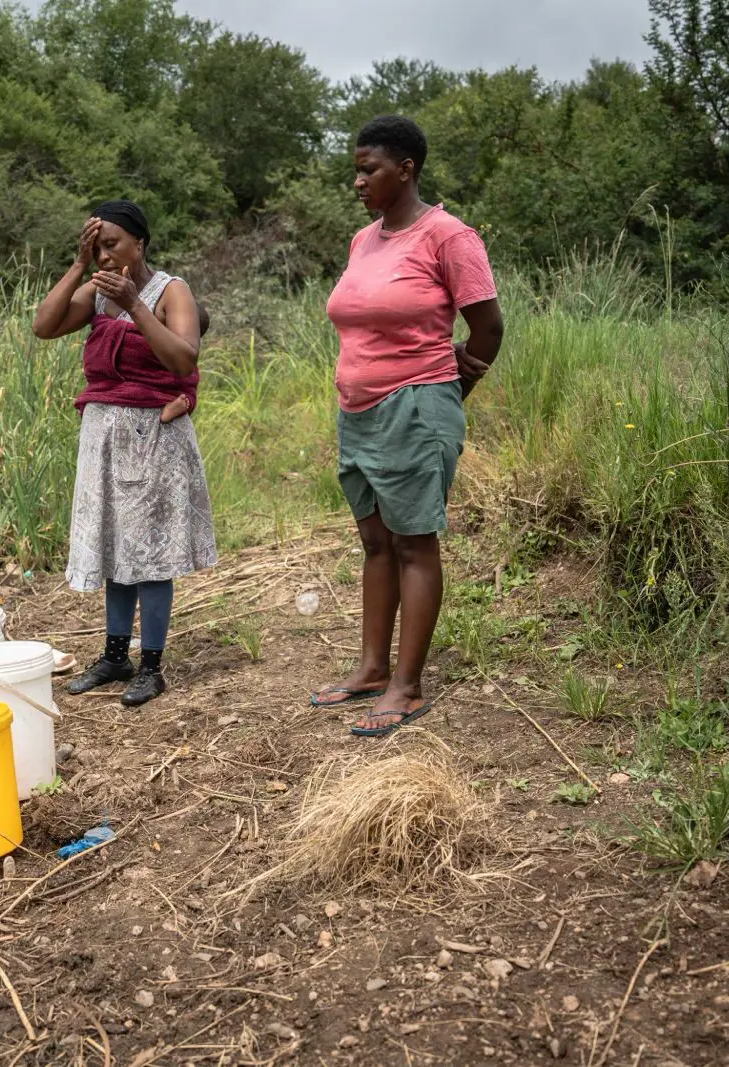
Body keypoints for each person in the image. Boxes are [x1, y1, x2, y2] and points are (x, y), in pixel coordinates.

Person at [310, 115, 505, 736]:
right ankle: (371, 668)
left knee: (413, 542)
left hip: (415, 406)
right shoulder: (364, 241)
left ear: (406, 169)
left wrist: (447, 390)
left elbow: (488, 328)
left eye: (369, 169)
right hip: (357, 410)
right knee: (375, 541)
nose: (358, 180)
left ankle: (408, 684)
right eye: (356, 169)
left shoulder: (448, 236)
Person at [31, 199, 216, 707]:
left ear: (140, 243)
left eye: (111, 245)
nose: (104, 257)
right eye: (96, 248)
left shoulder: (169, 291)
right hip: (104, 436)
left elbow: (183, 357)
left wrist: (135, 304)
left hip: (152, 438)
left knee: (151, 555)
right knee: (116, 547)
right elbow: (44, 326)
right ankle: (115, 656)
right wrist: (76, 266)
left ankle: (151, 666)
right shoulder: (95, 289)